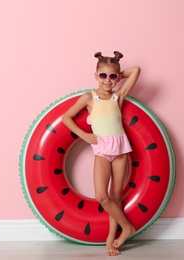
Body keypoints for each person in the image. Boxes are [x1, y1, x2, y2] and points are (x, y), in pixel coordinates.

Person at [62, 51, 141, 256]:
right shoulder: (90, 97)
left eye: (112, 77)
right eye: (103, 76)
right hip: (102, 151)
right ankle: (128, 227)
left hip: (121, 150)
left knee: (115, 195)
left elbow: (136, 71)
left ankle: (110, 240)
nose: (108, 80)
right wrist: (83, 135)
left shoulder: (118, 96)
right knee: (102, 196)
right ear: (96, 75)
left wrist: (118, 73)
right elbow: (67, 118)